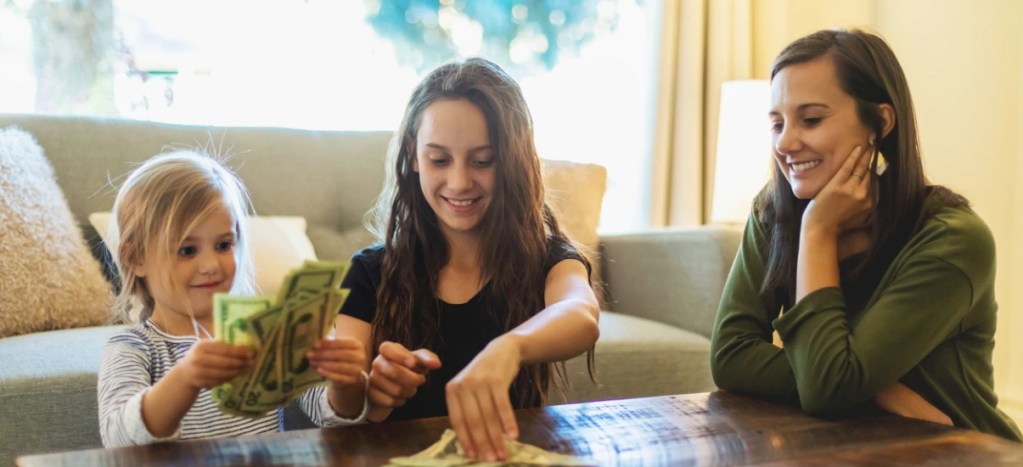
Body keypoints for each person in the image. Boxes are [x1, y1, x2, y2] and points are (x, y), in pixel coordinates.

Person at [709, 28, 1022, 442]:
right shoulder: (774, 211)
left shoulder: (953, 241)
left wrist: (818, 231)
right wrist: (879, 394)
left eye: (812, 119)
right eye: (777, 122)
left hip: (960, 450)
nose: (785, 143)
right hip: (848, 445)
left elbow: (829, 390)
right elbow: (730, 356)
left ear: (880, 123)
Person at [332, 57, 601, 461]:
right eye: (439, 160)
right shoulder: (370, 272)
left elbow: (581, 313)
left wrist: (509, 348)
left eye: (482, 161)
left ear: (512, 159)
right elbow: (342, 405)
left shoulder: (546, 258)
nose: (459, 182)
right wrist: (372, 393)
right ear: (414, 155)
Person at [98, 151, 369, 447]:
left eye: (224, 245)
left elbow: (331, 414)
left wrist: (346, 380)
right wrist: (186, 379)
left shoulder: (262, 333)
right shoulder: (135, 347)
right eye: (188, 250)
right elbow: (119, 438)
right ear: (136, 258)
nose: (212, 265)